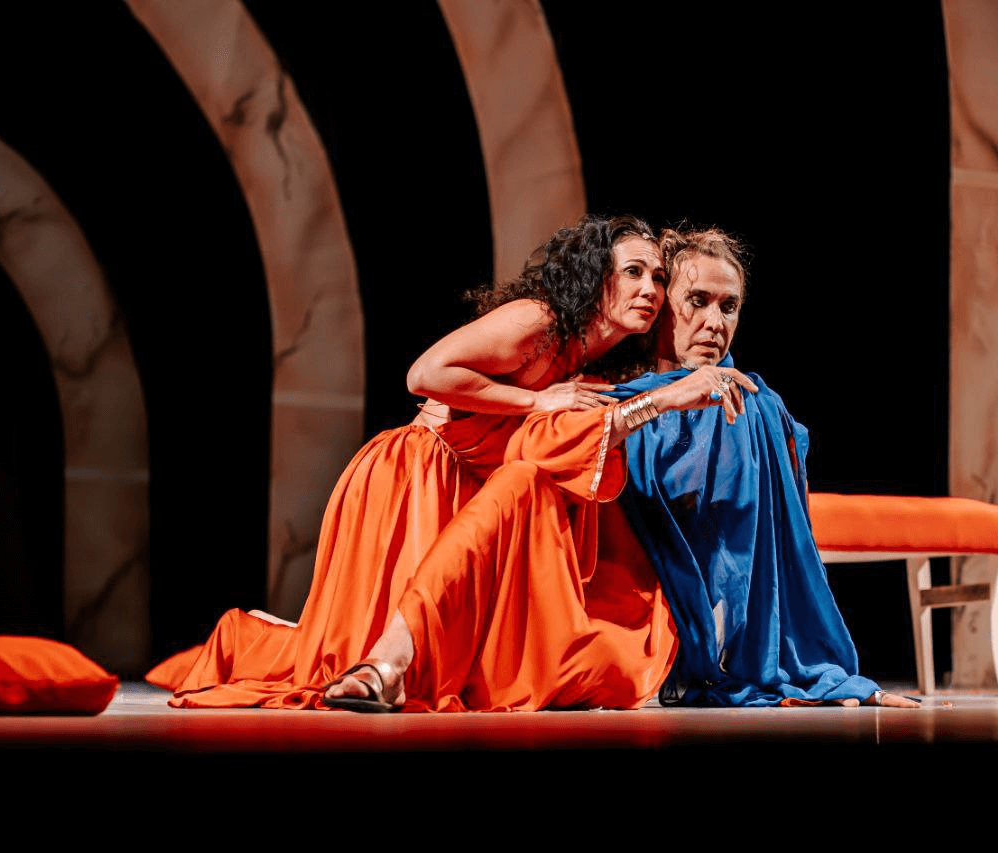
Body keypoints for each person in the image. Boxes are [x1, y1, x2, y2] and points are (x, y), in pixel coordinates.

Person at [162, 213, 676, 709]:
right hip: (416, 471)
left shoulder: (590, 360)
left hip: (463, 482)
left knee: (429, 652)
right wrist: (535, 400)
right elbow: (425, 373)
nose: (649, 289)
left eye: (658, 277)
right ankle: (250, 638)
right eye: (633, 271)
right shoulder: (539, 320)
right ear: (596, 277)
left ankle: (278, 640)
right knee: (379, 653)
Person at [605, 225, 919, 708]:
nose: (714, 322)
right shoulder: (615, 398)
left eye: (728, 306)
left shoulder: (750, 406)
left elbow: (739, 542)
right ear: (662, 306)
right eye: (697, 301)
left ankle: (740, 658)